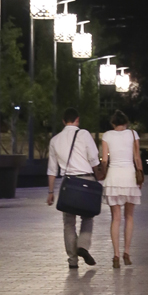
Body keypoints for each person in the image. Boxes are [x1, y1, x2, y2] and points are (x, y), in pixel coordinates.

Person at [47, 107, 104, 270]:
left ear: (64, 121)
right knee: (88, 217)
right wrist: (98, 176)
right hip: (86, 180)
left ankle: (72, 260)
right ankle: (83, 246)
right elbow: (94, 159)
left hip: (69, 183)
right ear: (77, 119)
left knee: (68, 223)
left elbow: (52, 170)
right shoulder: (84, 134)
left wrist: (50, 192)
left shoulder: (55, 140)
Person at [101, 109, 144, 268]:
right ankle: (127, 252)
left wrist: (101, 173)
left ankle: (116, 255)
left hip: (113, 178)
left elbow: (105, 160)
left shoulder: (107, 135)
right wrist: (141, 177)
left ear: (113, 123)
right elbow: (137, 158)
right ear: (126, 123)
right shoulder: (133, 134)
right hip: (129, 177)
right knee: (129, 217)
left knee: (116, 218)